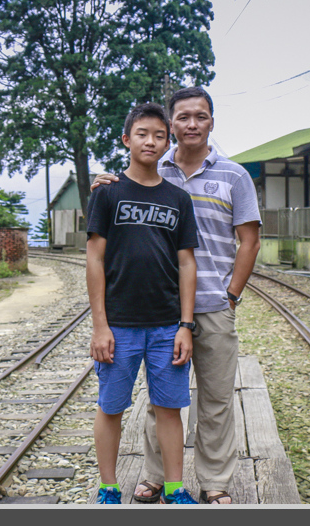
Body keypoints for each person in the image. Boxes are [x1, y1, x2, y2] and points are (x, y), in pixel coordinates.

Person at [92, 86, 261, 505]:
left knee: (216, 398)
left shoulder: (234, 176)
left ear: (211, 122)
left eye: (200, 116)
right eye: (183, 117)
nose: (192, 124)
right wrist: (103, 182)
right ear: (172, 125)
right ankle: (157, 477)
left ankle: (214, 480)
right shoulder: (155, 168)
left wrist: (231, 296)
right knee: (161, 401)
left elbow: (250, 241)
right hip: (161, 309)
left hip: (213, 305)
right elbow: (123, 199)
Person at [87, 102, 200, 505]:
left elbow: (187, 263)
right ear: (126, 140)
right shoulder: (107, 193)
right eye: (142, 134)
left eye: (159, 135)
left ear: (168, 143)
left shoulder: (178, 199)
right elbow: (94, 259)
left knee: (169, 409)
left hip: (167, 325)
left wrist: (186, 325)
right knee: (111, 407)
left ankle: (174, 488)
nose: (150, 141)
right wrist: (100, 326)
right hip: (119, 325)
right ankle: (108, 487)